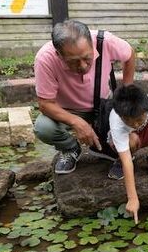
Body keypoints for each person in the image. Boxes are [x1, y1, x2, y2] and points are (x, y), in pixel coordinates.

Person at [33, 19, 135, 174]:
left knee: (130, 137)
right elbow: (45, 104)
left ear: (93, 45)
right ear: (58, 54)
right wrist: (76, 122)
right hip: (67, 110)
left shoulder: (105, 41)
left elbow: (129, 54)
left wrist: (127, 90)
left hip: (103, 105)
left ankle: (104, 145)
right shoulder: (45, 59)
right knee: (43, 128)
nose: (82, 66)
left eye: (87, 58)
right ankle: (71, 148)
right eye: (73, 62)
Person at [106, 84, 148, 224]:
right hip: (127, 141)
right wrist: (132, 198)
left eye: (139, 120)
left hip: (146, 135)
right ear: (121, 116)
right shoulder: (116, 120)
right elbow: (128, 163)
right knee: (131, 141)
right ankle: (119, 159)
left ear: (146, 109)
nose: (136, 124)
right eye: (129, 121)